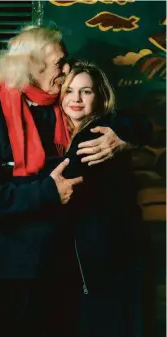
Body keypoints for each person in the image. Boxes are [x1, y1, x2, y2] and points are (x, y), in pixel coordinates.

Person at [0, 26, 151, 337]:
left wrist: (125, 137)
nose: (67, 69)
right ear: (30, 65)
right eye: (60, 63)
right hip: (12, 274)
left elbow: (120, 116)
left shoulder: (61, 107)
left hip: (64, 274)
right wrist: (48, 191)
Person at [41, 60, 149, 337]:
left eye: (86, 91)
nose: (76, 99)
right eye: (70, 91)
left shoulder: (99, 132)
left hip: (108, 258)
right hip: (89, 257)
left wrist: (126, 136)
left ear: (99, 96)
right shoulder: (58, 134)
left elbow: (136, 121)